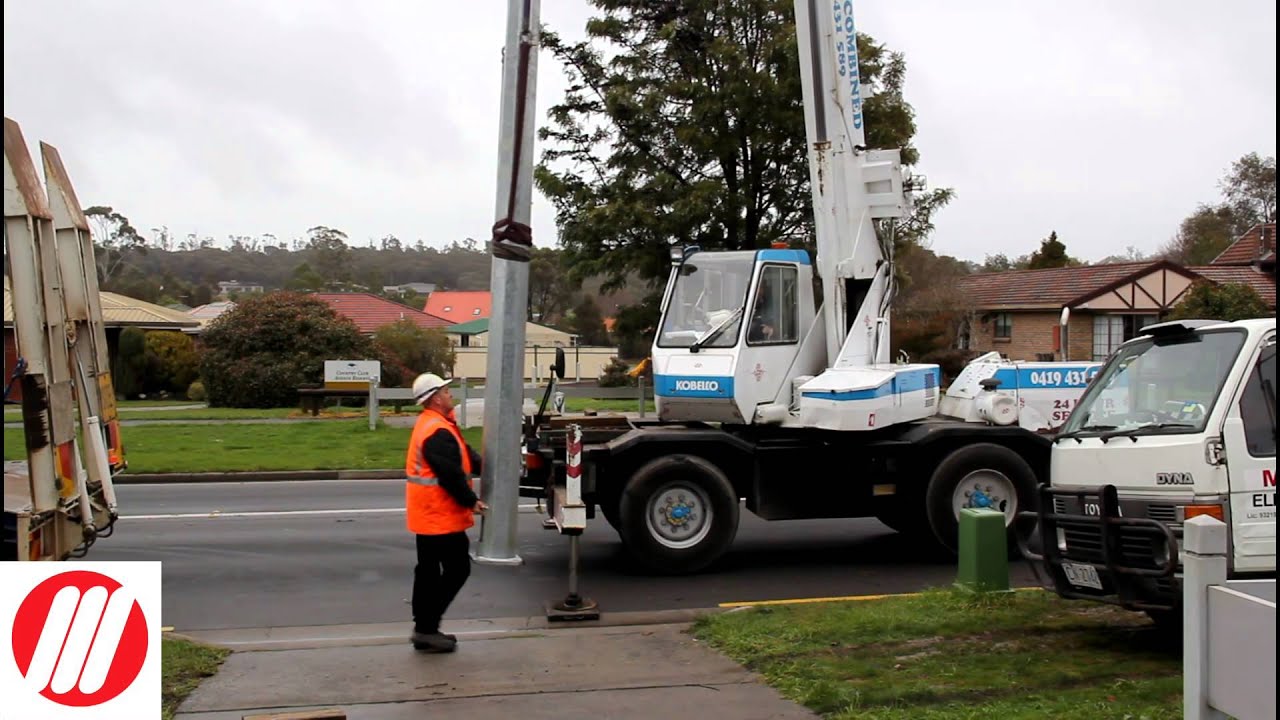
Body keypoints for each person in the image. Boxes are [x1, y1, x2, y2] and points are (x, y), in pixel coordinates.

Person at [404, 372, 487, 653]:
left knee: (428, 572)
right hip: (439, 516)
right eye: (447, 391)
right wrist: (470, 500)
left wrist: (489, 465)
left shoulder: (436, 424)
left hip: (429, 515)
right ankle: (426, 628)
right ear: (436, 398)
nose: (451, 395)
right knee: (457, 569)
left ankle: (425, 628)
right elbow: (450, 473)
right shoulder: (437, 430)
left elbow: (464, 456)